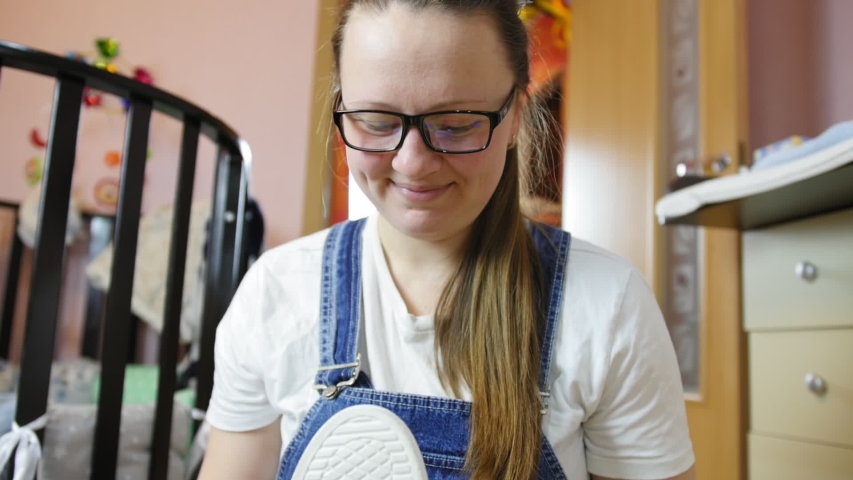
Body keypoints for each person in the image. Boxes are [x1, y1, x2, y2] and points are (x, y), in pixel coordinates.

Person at [198, 1, 696, 479]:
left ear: (515, 117)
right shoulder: (275, 294)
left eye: (455, 125)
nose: (412, 163)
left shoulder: (607, 307)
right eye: (376, 122)